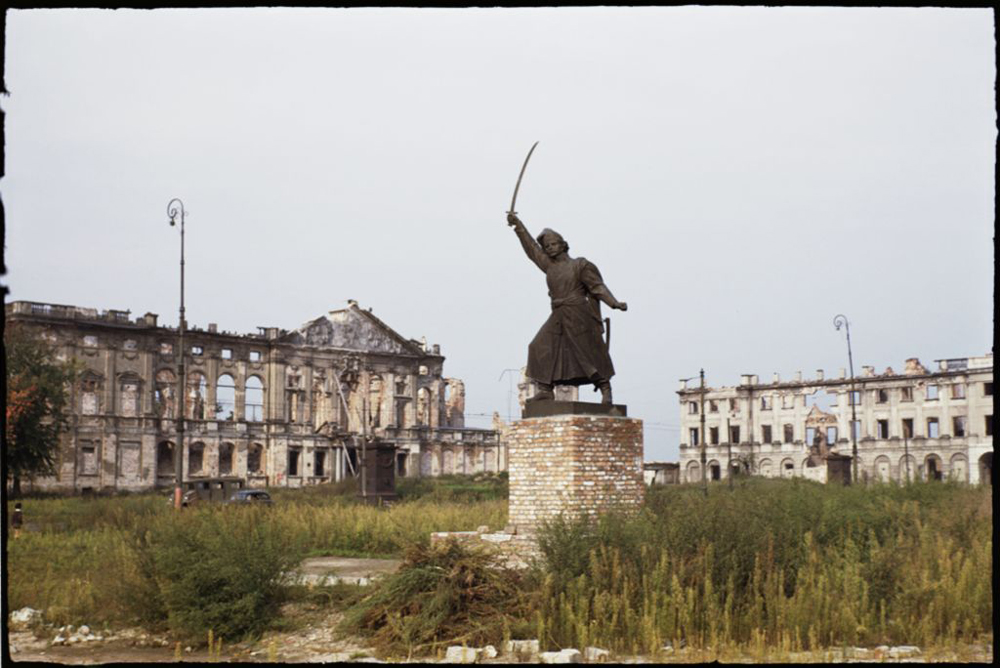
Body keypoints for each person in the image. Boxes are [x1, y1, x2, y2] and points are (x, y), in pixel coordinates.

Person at [507, 212, 627, 404]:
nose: (550, 248)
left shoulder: (580, 265)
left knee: (586, 352)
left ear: (563, 244)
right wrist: (518, 226)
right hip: (558, 313)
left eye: (553, 244)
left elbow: (597, 287)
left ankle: (605, 388)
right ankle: (546, 389)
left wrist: (614, 303)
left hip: (579, 313)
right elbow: (531, 249)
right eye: (547, 247)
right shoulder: (549, 266)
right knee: (538, 346)